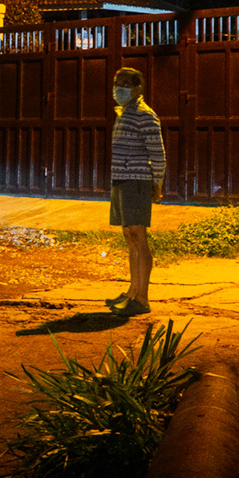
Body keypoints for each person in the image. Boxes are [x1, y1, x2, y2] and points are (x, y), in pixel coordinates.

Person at [106, 67, 165, 317]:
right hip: (121, 180)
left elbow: (158, 155)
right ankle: (132, 291)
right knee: (130, 236)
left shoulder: (145, 116)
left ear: (138, 88)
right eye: (117, 83)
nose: (119, 89)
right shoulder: (124, 113)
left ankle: (142, 298)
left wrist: (157, 184)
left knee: (139, 238)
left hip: (137, 181)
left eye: (125, 84)